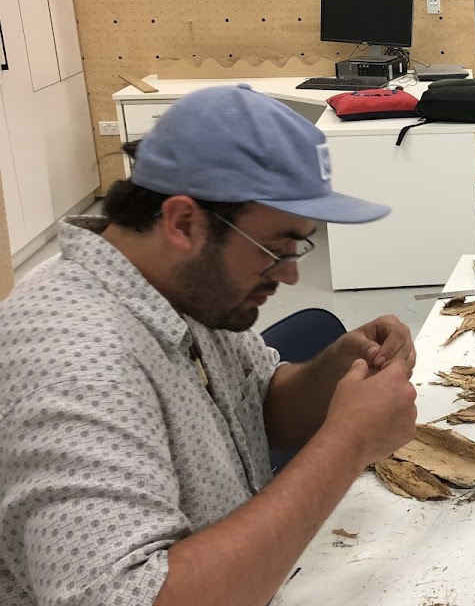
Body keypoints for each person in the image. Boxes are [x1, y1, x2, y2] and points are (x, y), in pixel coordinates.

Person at [0, 85, 420, 606]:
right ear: (182, 222)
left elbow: (257, 410)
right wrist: (349, 442)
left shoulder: (187, 291)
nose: (290, 275)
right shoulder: (72, 355)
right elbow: (128, 596)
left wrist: (338, 368)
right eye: (276, 247)